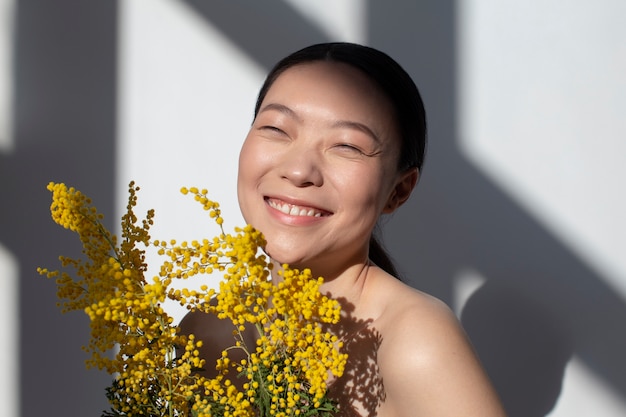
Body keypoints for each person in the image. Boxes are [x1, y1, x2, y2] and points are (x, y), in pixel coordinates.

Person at [180, 42, 507, 417]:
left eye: (347, 146)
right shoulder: (205, 331)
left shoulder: (414, 340)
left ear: (398, 190)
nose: (299, 170)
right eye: (276, 128)